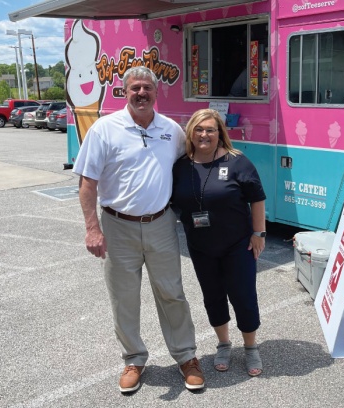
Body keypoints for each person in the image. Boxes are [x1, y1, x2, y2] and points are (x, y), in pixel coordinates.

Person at [73, 66, 204, 393]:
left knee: (172, 292)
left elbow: (189, 166)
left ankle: (186, 356)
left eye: (147, 88)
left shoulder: (171, 130)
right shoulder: (105, 129)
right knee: (124, 298)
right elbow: (87, 182)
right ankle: (133, 359)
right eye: (135, 89)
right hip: (117, 227)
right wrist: (92, 228)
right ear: (124, 92)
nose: (141, 93)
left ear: (156, 93)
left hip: (161, 224)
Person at [172, 108, 266, 377]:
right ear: (191, 132)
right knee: (212, 297)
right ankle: (223, 344)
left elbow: (257, 198)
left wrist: (258, 234)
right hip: (200, 247)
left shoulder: (237, 162)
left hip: (238, 244)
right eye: (199, 129)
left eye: (210, 129)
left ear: (219, 133)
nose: (204, 134)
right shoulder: (180, 166)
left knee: (243, 296)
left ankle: (250, 348)